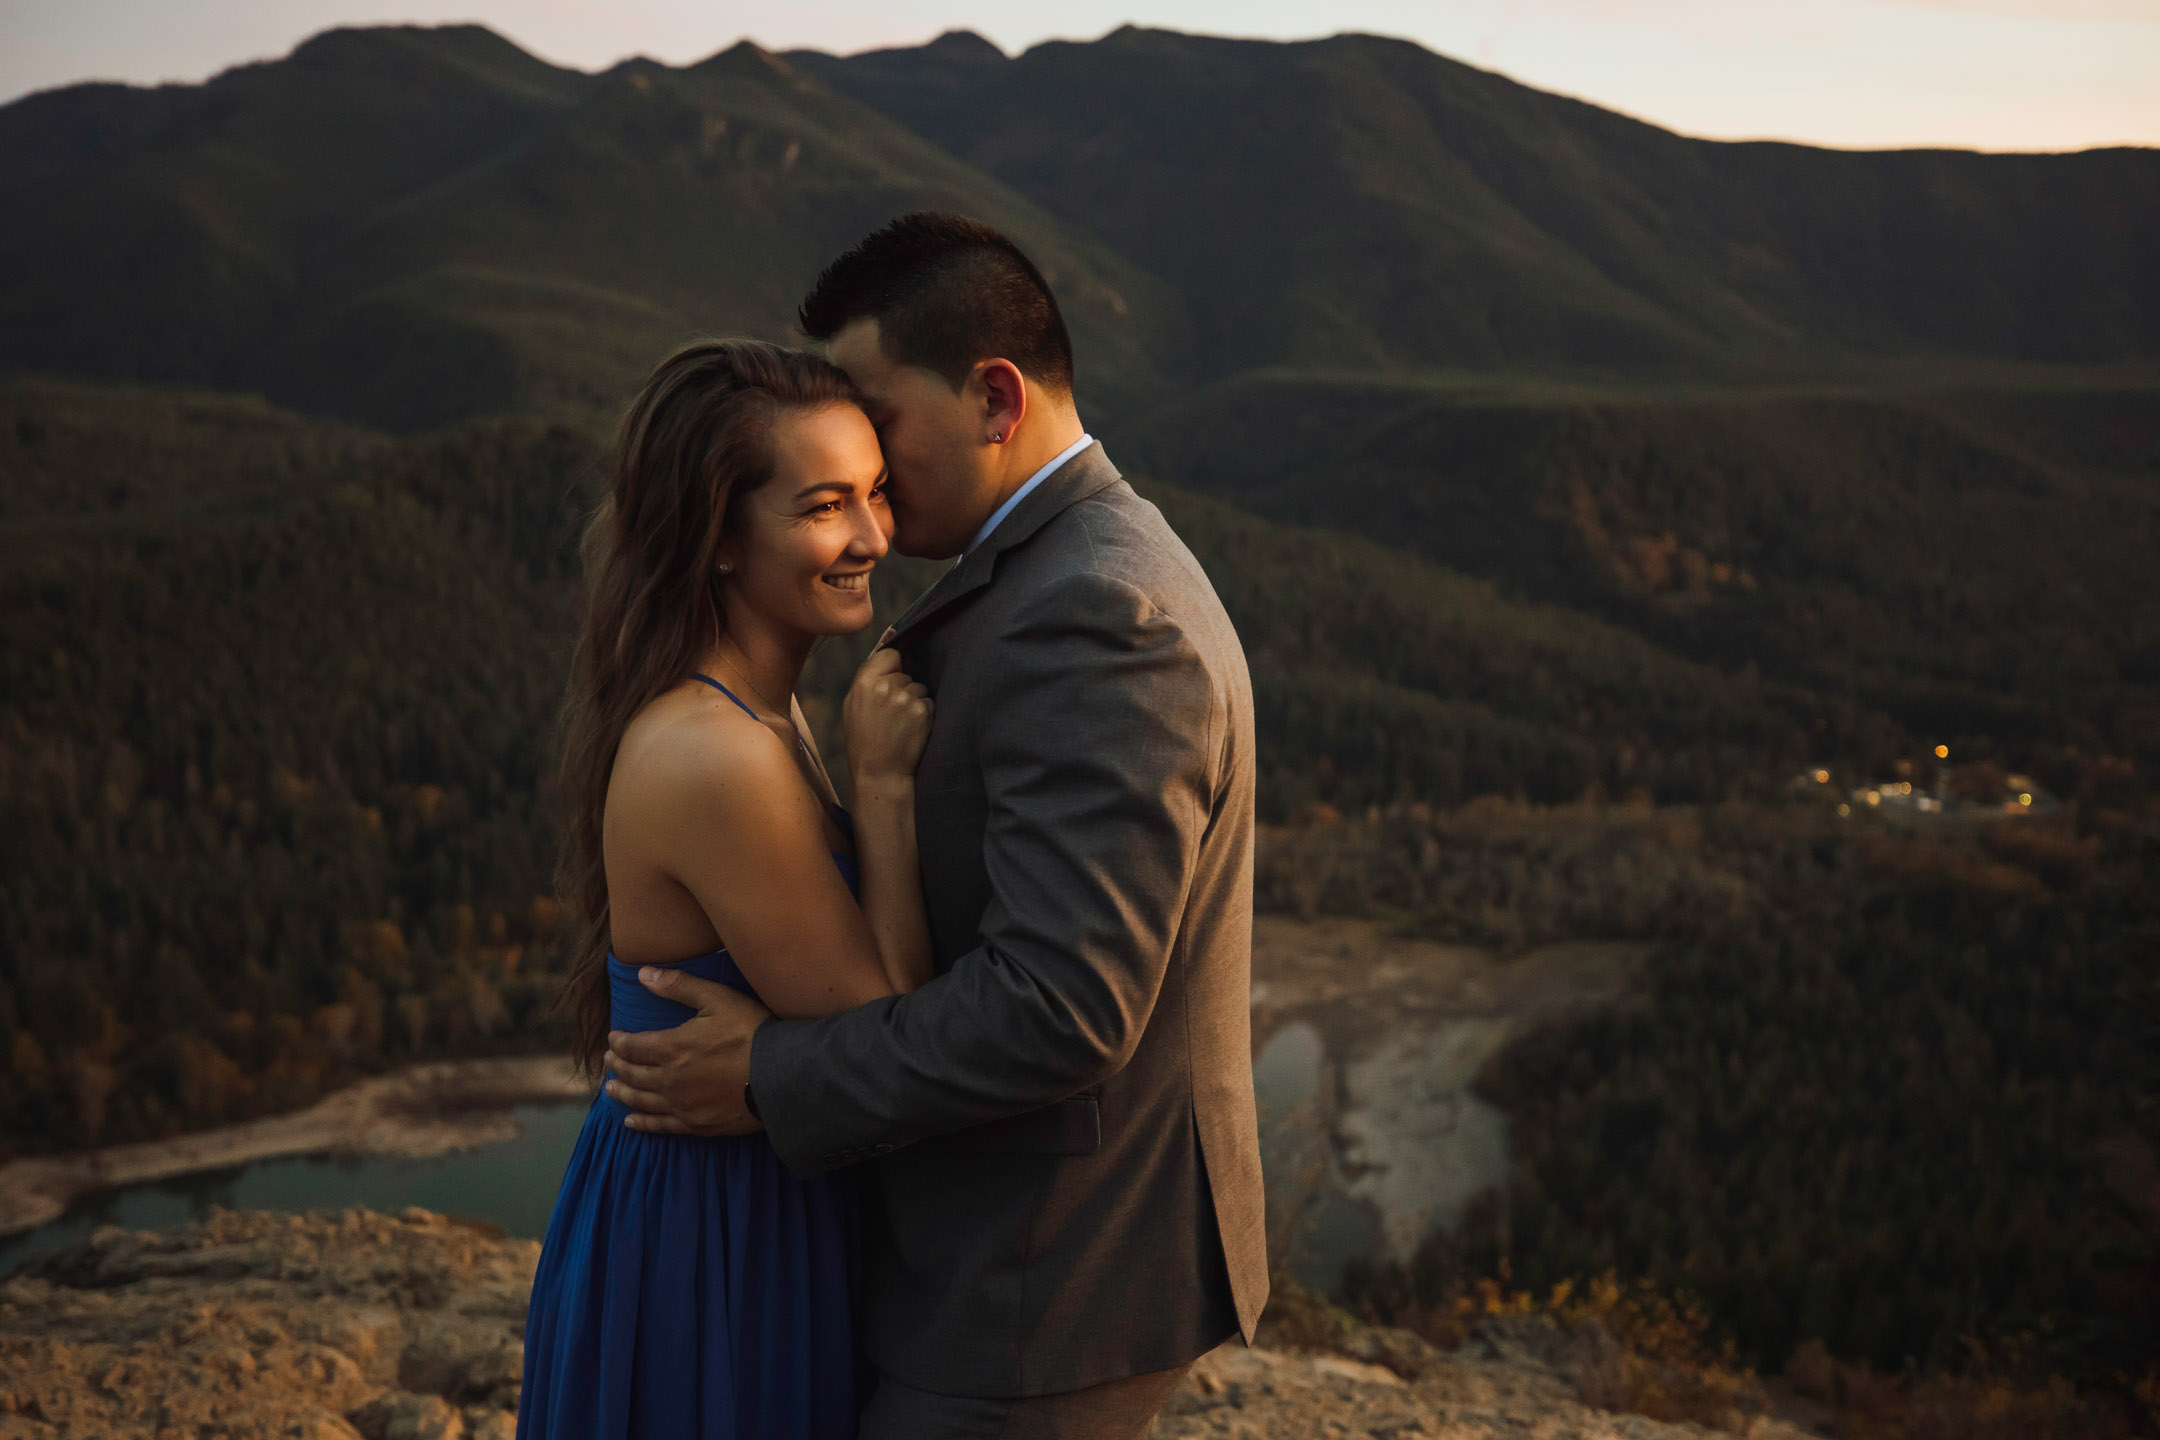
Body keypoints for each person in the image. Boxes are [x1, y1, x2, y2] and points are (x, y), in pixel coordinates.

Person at [603, 213, 1269, 1438]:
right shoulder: (1065, 570)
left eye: (880, 419)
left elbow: (1062, 1008)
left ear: (995, 398)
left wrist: (765, 1072)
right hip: (1003, 1262)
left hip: (1038, 1281)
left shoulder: (1098, 611)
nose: (870, 464)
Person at [518, 338, 939, 1439]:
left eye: (877, 493)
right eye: (823, 507)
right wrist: (884, 786)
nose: (873, 538)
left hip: (743, 1201)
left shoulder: (753, 707)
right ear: (716, 537)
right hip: (710, 1234)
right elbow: (884, 1035)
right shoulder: (719, 754)